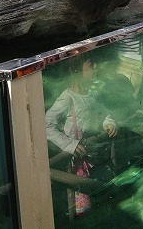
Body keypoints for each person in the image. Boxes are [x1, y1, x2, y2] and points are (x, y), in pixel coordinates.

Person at [46, 55, 117, 218]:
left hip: (95, 156)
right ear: (77, 70)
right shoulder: (67, 97)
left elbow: (103, 113)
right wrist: (70, 144)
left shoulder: (93, 93)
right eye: (91, 65)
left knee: (100, 197)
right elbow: (46, 124)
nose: (96, 68)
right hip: (76, 163)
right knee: (83, 205)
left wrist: (109, 122)